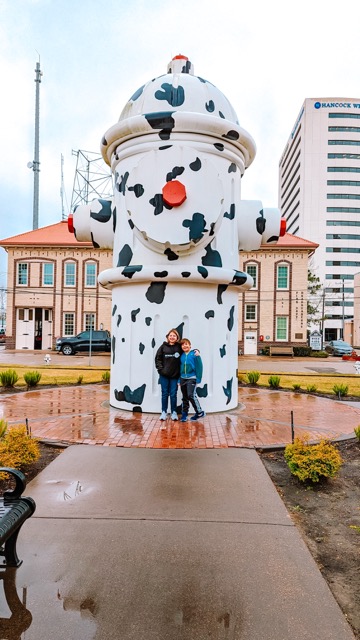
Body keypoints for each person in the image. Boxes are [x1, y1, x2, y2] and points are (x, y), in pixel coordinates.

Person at [155, 329, 182, 421]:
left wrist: (196, 351)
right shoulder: (163, 347)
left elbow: (187, 350)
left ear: (177, 338)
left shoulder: (179, 347)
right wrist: (161, 370)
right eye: (170, 335)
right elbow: (158, 359)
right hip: (164, 375)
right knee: (164, 394)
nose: (172, 337)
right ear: (167, 337)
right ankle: (164, 412)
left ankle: (174, 412)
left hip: (175, 376)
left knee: (173, 394)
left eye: (174, 335)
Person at [179, 338, 205, 422]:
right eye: (183, 345)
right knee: (185, 397)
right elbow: (179, 368)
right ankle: (184, 414)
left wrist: (198, 378)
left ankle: (199, 412)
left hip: (192, 378)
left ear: (190, 345)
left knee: (191, 395)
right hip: (183, 378)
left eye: (186, 344)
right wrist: (179, 380)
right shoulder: (181, 355)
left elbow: (199, 366)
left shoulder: (195, 354)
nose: (184, 346)